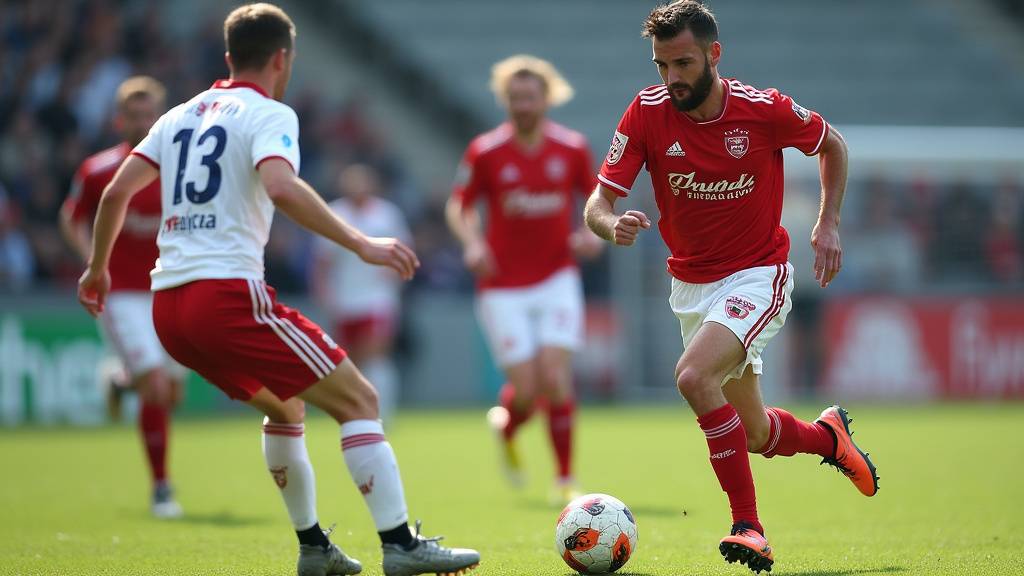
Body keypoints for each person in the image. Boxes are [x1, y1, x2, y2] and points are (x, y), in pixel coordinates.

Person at [77, 4, 480, 576]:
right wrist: (362, 243)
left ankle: (315, 548)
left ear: (227, 58)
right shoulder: (268, 112)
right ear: (282, 59)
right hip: (226, 296)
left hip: (168, 308)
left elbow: (115, 193)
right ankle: (400, 545)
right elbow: (282, 186)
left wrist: (97, 269)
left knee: (286, 407)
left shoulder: (177, 116)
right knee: (360, 400)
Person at [584, 2, 877, 573]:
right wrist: (608, 224)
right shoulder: (645, 114)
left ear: (714, 55)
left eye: (683, 63)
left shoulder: (761, 109)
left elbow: (832, 145)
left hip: (758, 274)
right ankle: (829, 437)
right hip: (691, 287)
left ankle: (749, 527)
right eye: (661, 65)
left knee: (693, 377)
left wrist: (828, 221)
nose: (671, 79)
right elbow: (599, 201)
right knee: (755, 433)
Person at [446, 55, 603, 503]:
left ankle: (565, 479)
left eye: (529, 96)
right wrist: (472, 242)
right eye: (514, 97)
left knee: (555, 378)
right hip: (502, 285)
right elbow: (459, 205)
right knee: (529, 387)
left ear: (546, 99)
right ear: (505, 100)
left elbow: (593, 201)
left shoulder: (570, 148)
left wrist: (590, 235)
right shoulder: (486, 151)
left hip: (556, 276)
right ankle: (508, 425)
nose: (522, 104)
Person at [60, 76, 186, 519]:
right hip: (121, 294)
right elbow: (71, 218)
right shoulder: (98, 171)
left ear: (160, 116)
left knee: (171, 391)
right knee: (154, 386)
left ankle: (119, 381)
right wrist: (95, 263)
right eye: (133, 114)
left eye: (148, 112)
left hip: (167, 287)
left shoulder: (180, 168)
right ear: (119, 119)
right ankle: (162, 488)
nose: (141, 120)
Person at [312, 164, 412, 423]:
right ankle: (356, 411)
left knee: (376, 353)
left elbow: (405, 250)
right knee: (350, 359)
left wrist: (394, 276)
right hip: (345, 299)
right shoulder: (335, 212)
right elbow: (323, 261)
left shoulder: (387, 214)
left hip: (378, 297)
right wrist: (325, 293)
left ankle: (382, 414)